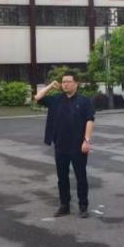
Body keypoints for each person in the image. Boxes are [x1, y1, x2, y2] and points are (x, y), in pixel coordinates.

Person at [34, 72, 95, 218]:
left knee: (81, 176)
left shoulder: (84, 101)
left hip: (78, 145)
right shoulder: (56, 99)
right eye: (63, 82)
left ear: (76, 83)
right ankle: (64, 205)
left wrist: (87, 140)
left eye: (68, 81)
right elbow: (38, 98)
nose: (65, 84)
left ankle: (83, 206)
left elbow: (90, 120)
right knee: (62, 177)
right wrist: (50, 86)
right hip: (60, 144)